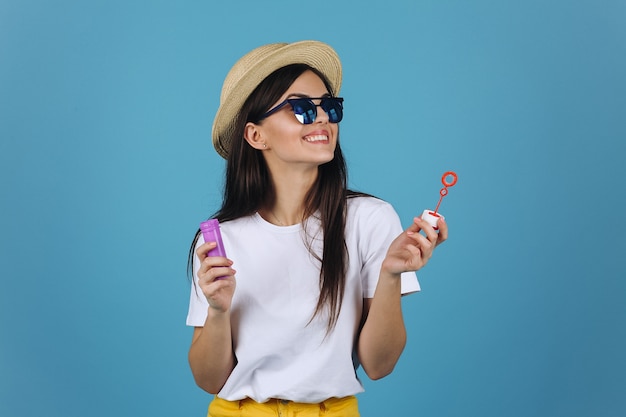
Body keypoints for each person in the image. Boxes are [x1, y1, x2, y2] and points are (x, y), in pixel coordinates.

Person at [186, 40, 448, 417]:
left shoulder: (370, 219)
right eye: (302, 109)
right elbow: (209, 380)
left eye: (330, 106)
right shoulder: (220, 240)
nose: (323, 117)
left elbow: (379, 365)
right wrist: (217, 310)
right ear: (256, 135)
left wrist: (390, 275)